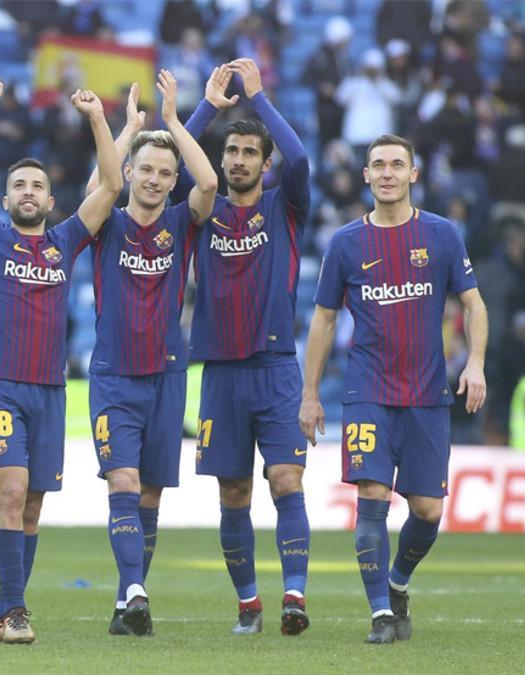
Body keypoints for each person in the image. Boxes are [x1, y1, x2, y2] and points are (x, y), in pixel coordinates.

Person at [0, 77, 122, 643]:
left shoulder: (67, 240)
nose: (26, 191)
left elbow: (114, 184)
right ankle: (14, 611)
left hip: (49, 390)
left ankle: (7, 612)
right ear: (5, 198)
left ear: (50, 199)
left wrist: (98, 118)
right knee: (12, 492)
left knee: (34, 507)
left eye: (36, 186)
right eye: (18, 184)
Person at [300, 133, 488, 644]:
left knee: (428, 511)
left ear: (413, 175)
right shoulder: (345, 243)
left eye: (396, 164)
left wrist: (475, 363)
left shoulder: (442, 235)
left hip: (428, 395)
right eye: (378, 164)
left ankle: (398, 582)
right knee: (372, 495)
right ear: (365, 176)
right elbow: (322, 321)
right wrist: (310, 393)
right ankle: (381, 614)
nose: (387, 172)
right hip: (368, 391)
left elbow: (473, 304)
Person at [179, 59, 312, 635]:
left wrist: (257, 100)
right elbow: (165, 163)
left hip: (277, 368)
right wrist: (207, 105)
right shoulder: (200, 210)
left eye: (249, 152)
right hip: (221, 373)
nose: (236, 160)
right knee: (233, 491)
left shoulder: (284, 206)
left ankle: (295, 597)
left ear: (264, 162)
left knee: (286, 480)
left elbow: (302, 159)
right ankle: (249, 604)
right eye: (229, 151)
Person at [83, 73, 218, 637]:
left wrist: (173, 124)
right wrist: (130, 130)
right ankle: (137, 588)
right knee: (123, 483)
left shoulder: (181, 225)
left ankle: (125, 601)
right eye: (147, 169)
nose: (158, 179)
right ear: (131, 173)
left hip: (167, 375)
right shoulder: (105, 222)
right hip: (115, 376)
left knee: (152, 493)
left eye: (166, 173)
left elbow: (207, 181)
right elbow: (98, 185)